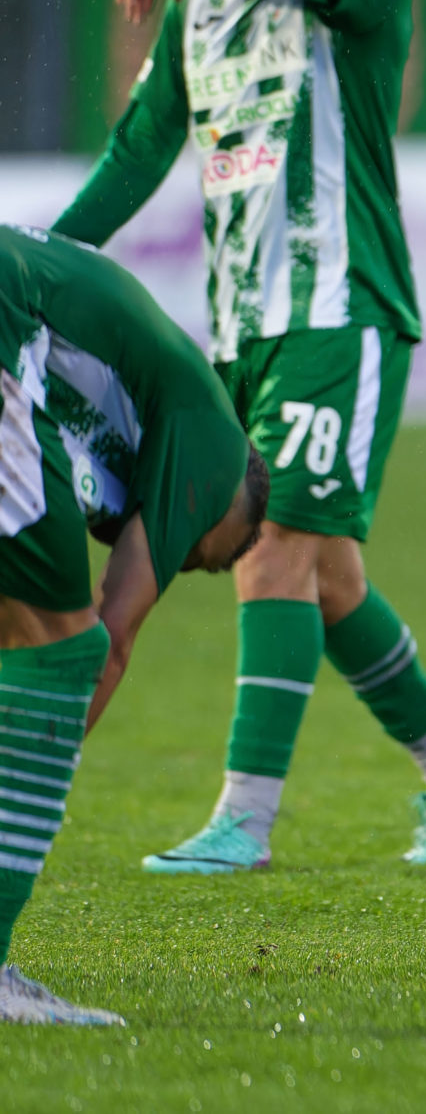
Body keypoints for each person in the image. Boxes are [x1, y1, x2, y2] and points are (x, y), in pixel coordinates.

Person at [53, 0, 426, 876]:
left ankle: (244, 821)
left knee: (271, 553)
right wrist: (45, 261)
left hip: (340, 310)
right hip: (237, 328)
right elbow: (139, 150)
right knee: (330, 578)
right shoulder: (201, 6)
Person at [0, 224, 268, 1025]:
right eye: (198, 557)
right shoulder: (214, 454)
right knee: (64, 648)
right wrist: (38, 759)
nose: (178, 558)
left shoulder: (132, 392)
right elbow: (111, 641)